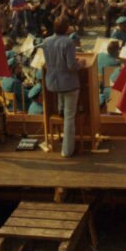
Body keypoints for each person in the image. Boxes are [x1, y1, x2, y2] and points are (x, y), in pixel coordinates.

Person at [42, 20, 82, 157]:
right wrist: (81, 64)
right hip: (68, 84)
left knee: (62, 100)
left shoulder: (46, 41)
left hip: (52, 83)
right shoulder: (69, 42)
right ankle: (67, 150)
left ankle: (60, 109)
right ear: (67, 28)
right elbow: (71, 66)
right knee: (70, 117)